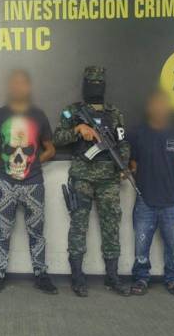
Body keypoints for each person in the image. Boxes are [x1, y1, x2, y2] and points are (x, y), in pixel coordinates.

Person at [53, 66, 130, 297]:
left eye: (99, 83)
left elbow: (123, 142)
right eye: (91, 82)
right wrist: (78, 129)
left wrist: (124, 165)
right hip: (82, 175)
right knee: (79, 226)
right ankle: (77, 277)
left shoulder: (115, 113)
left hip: (109, 179)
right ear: (84, 84)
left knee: (111, 226)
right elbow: (57, 138)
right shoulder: (72, 112)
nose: (95, 87)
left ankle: (112, 277)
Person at [0, 70, 57, 295]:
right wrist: (6, 164)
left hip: (34, 184)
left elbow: (50, 149)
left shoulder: (39, 115)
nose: (18, 87)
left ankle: (41, 275)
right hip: (5, 184)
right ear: (9, 87)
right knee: (1, 233)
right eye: (14, 83)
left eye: (22, 83)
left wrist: (33, 162)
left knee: (37, 233)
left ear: (28, 87)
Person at [127, 88, 174, 298]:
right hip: (145, 199)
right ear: (149, 107)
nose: (159, 107)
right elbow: (132, 161)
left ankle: (173, 280)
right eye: (155, 103)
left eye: (163, 103)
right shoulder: (137, 133)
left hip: (173, 200)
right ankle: (141, 279)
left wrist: (168, 173)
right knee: (141, 245)